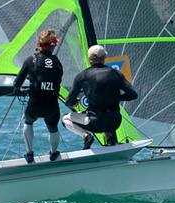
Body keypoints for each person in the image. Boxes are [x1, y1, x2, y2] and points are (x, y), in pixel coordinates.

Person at [63, 45, 138, 150]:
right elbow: (133, 95)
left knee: (65, 118)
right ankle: (111, 139)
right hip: (115, 121)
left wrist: (74, 101)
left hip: (96, 122)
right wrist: (116, 97)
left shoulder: (82, 76)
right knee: (109, 112)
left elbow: (68, 102)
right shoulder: (116, 73)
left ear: (89, 59)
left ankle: (87, 137)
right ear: (104, 58)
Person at [13, 29, 64, 163]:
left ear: (39, 44)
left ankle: (29, 154)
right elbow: (58, 80)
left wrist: (18, 89)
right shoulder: (57, 62)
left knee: (28, 122)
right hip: (51, 107)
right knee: (53, 128)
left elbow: (17, 82)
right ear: (52, 46)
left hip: (35, 106)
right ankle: (53, 153)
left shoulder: (31, 60)